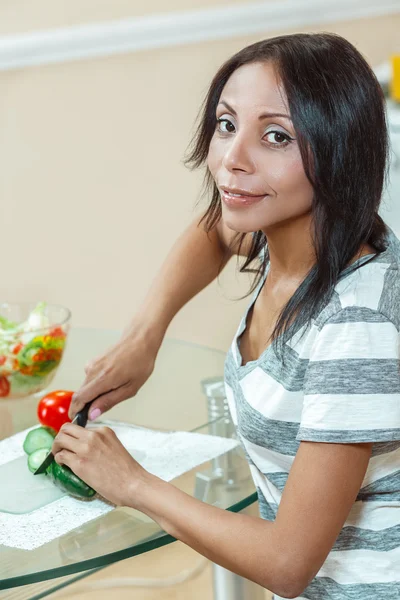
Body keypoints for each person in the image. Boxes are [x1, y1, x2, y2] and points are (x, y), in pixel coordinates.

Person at [52, 32, 400, 599]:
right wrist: (145, 336)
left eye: (276, 136)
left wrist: (134, 485)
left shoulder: (357, 324)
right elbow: (214, 229)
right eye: (226, 124)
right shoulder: (291, 238)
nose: (233, 160)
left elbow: (288, 563)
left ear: (340, 150)